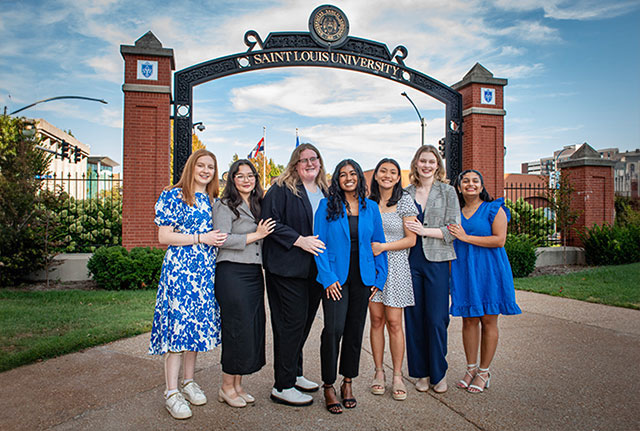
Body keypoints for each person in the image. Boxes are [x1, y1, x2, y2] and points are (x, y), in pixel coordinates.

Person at [149, 149, 228, 420]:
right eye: (201, 165)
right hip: (180, 272)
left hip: (204, 274)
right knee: (177, 329)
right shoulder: (174, 195)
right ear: (191, 167)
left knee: (194, 328)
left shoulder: (212, 199)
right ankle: (172, 392)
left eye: (210, 167)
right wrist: (199, 238)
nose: (206, 171)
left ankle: (189, 381)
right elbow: (164, 236)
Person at [314, 159, 387, 414]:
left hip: (363, 278)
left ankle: (347, 382)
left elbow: (378, 243)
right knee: (333, 329)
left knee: (355, 331)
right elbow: (319, 245)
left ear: (359, 177)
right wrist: (328, 277)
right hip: (335, 278)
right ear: (337, 179)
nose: (348, 178)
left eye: (352, 173)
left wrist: (380, 277)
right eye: (343, 174)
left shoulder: (372, 208)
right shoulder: (326, 206)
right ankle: (328, 385)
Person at [261, 143, 329, 406]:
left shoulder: (325, 190)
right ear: (295, 164)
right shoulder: (281, 189)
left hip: (314, 270)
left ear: (320, 162)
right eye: (304, 160)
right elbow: (270, 224)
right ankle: (283, 385)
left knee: (303, 323)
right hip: (286, 268)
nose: (310, 163)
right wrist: (299, 240)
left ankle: (295, 372)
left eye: (314, 159)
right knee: (289, 325)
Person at [447, 169, 522, 393]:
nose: (470, 184)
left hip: (489, 271)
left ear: (481, 186)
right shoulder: (455, 213)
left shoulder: (493, 208)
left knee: (488, 321)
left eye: (475, 181)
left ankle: (484, 372)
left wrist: (466, 237)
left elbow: (499, 240)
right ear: (459, 187)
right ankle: (470, 369)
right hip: (464, 272)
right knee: (468, 321)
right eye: (465, 181)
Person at [213, 160, 276, 407]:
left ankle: (238, 386)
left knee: (249, 329)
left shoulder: (258, 204)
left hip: (253, 273)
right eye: (240, 176)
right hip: (232, 272)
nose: (246, 180)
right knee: (236, 330)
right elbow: (221, 238)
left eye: (250, 176)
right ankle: (226, 387)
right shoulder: (224, 205)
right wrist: (256, 235)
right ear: (232, 179)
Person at [404, 145, 460, 394]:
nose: (426, 165)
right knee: (414, 318)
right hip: (409, 260)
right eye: (422, 161)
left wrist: (425, 231)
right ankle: (421, 373)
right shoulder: (404, 193)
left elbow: (453, 230)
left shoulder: (447, 192)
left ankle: (438, 372)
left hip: (437, 262)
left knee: (437, 319)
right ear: (416, 164)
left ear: (438, 165)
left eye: (431, 161)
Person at [368, 158, 418, 401]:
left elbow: (411, 240)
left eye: (393, 172)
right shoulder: (367, 202)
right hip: (373, 269)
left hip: (396, 266)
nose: (387, 175)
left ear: (399, 178)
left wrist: (383, 247)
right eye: (383, 171)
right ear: (376, 175)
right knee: (376, 320)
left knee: (395, 323)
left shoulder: (405, 201)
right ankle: (379, 372)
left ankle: (397, 375)